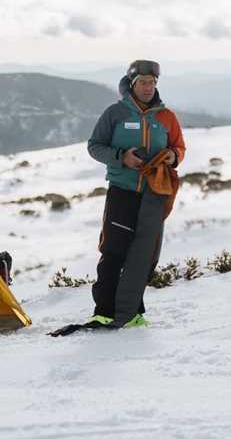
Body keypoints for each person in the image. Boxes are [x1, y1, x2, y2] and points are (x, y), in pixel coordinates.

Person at [67, 59, 186, 333]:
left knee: (145, 255)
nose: (148, 87)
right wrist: (122, 157)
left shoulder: (166, 116)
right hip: (122, 192)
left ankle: (133, 312)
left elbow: (179, 146)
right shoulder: (116, 113)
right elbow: (94, 146)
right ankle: (105, 312)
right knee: (113, 251)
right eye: (143, 82)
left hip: (154, 193)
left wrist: (172, 155)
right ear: (132, 84)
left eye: (152, 82)